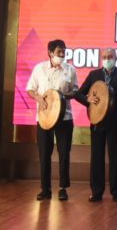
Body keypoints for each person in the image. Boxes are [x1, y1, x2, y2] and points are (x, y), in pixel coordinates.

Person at [26, 39, 78, 201]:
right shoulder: (39, 69)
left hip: (65, 118)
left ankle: (63, 188)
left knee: (64, 154)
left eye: (64, 52)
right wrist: (39, 98)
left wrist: (62, 96)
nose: (62, 55)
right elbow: (30, 89)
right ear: (50, 53)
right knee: (44, 154)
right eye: (58, 52)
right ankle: (45, 189)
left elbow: (75, 91)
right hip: (44, 118)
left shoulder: (70, 70)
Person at [77, 48, 117, 203]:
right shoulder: (94, 75)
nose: (107, 59)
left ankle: (116, 192)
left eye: (110, 56)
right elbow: (79, 94)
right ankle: (96, 192)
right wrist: (87, 100)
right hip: (97, 122)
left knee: (116, 158)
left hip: (115, 123)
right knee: (96, 157)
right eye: (105, 57)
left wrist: (111, 92)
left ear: (116, 58)